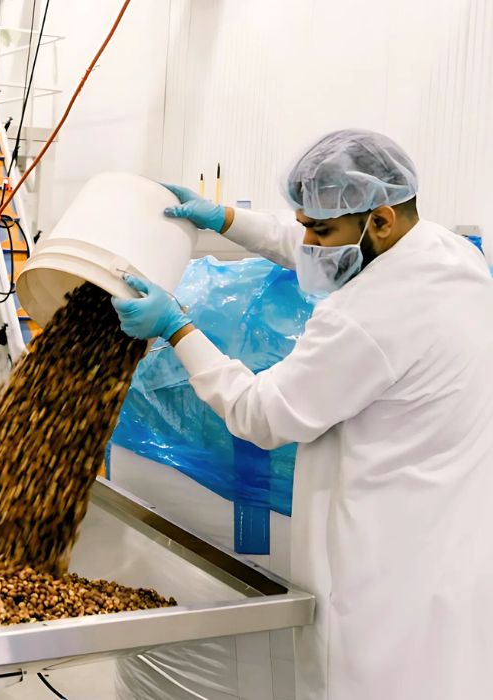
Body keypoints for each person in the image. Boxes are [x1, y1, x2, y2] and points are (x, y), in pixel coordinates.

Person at [112, 129, 493, 700]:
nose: (308, 240)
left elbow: (259, 414)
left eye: (321, 227)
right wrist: (224, 219)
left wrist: (179, 329)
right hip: (450, 538)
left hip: (382, 569)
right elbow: (315, 252)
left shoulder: (364, 319)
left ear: (381, 220)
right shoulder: (446, 254)